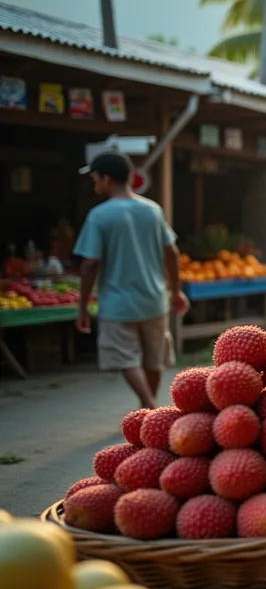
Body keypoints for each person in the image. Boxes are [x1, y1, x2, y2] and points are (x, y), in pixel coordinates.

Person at [73, 151, 189, 409]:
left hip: (118, 303)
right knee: (154, 359)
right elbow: (172, 251)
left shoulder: (99, 215)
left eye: (95, 178)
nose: (94, 184)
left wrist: (83, 305)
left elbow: (90, 263)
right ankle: (150, 407)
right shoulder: (152, 210)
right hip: (155, 299)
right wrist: (176, 291)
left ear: (107, 179)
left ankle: (148, 405)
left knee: (126, 358)